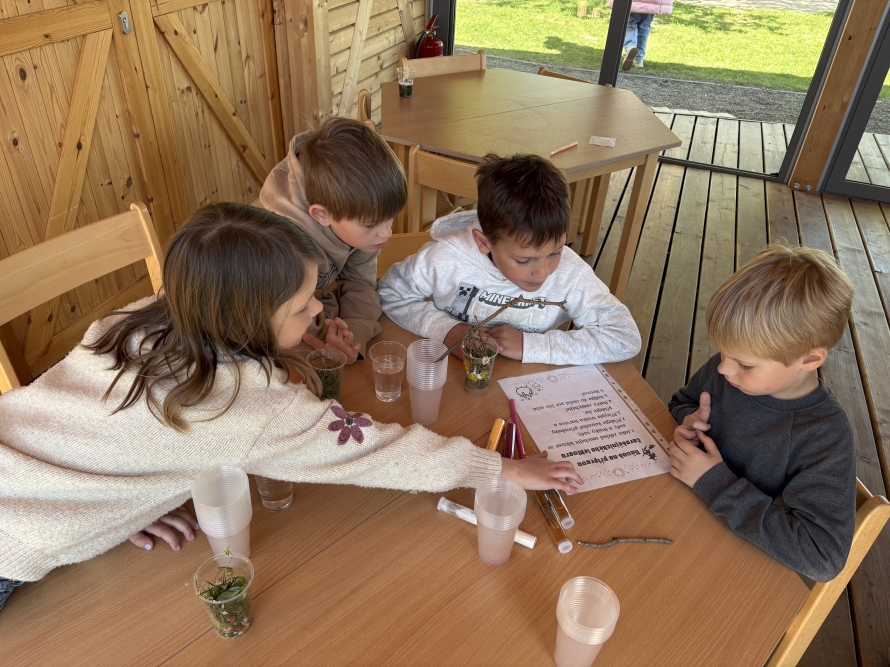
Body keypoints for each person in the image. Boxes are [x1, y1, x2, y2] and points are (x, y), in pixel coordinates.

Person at [0, 203, 582, 610]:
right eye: (303, 307)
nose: (318, 313)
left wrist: (123, 496)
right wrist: (503, 470)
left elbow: (98, 429)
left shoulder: (134, 320)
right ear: (246, 321)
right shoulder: (247, 411)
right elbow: (382, 454)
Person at [668, 245, 856, 582]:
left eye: (744, 364)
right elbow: (680, 402)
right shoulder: (729, 371)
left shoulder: (824, 433)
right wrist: (689, 419)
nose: (723, 369)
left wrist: (714, 483)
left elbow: (823, 557)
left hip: (732, 563)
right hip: (682, 511)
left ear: (809, 359)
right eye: (722, 353)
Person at [378, 153, 641, 365]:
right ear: (484, 243)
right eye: (524, 261)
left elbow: (624, 337)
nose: (543, 272)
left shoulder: (571, 273)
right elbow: (390, 293)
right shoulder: (445, 257)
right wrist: (446, 330)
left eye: (555, 252)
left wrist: (531, 346)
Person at [259, 117, 407, 363]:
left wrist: (353, 335)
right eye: (371, 224)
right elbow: (284, 324)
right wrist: (331, 330)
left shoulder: (357, 220)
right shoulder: (281, 249)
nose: (386, 233)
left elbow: (360, 283)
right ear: (322, 215)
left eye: (390, 218)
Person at [607, 0, 674, 70]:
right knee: (644, 27)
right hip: (652, 3)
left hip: (633, 3)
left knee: (629, 24)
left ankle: (630, 46)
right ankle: (639, 59)